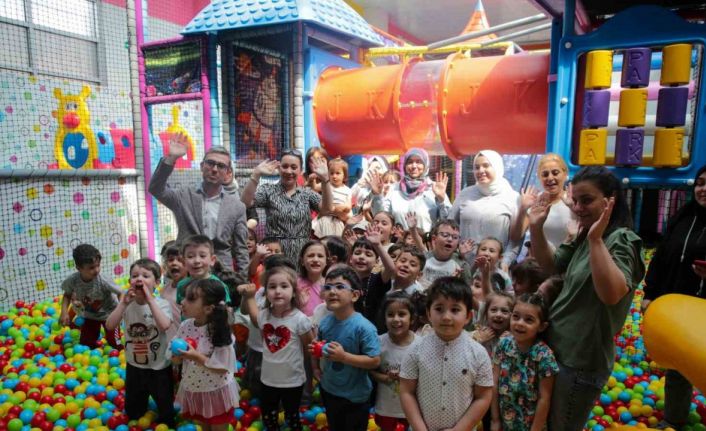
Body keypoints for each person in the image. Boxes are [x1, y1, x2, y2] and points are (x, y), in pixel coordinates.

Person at [528, 166, 645, 431]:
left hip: (580, 359)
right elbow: (551, 266)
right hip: (557, 346)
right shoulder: (585, 234)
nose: (579, 208)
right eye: (576, 201)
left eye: (587, 200)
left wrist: (596, 241)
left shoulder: (621, 239)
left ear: (610, 201)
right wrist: (536, 227)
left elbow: (612, 294)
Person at [644, 164, 706, 429]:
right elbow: (662, 257)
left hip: (702, 307)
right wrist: (650, 293)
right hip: (677, 307)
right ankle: (674, 419)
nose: (704, 189)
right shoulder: (683, 217)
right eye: (700, 183)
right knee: (678, 367)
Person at [399, 277, 493, 431]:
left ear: (468, 316)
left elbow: (483, 397)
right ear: (429, 313)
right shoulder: (415, 350)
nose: (446, 317)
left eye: (455, 310)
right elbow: (406, 392)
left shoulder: (479, 354)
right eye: (439, 309)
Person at [148, 133, 249, 277]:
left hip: (222, 274)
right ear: (202, 166)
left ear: (227, 173)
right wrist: (171, 158)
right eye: (210, 163)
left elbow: (241, 248)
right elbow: (156, 188)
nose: (214, 169)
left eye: (221, 166)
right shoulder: (183, 196)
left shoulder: (237, 206)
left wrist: (242, 280)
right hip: (188, 271)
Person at [240, 266, 315, 431]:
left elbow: (309, 347)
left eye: (284, 286)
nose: (278, 291)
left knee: (292, 415)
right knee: (268, 415)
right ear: (266, 293)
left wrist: (311, 368)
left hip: (293, 380)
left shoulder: (300, 319)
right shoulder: (263, 315)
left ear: (294, 292)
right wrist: (249, 296)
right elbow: (259, 327)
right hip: (268, 379)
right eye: (272, 287)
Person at [310, 266, 381, 431]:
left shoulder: (364, 327)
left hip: (355, 397)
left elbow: (375, 360)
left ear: (354, 295)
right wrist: (315, 366)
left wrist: (344, 357)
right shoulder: (325, 322)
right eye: (327, 287)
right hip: (329, 389)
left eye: (340, 287)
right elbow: (317, 346)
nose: (332, 292)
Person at [106, 259, 175, 428]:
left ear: (156, 282)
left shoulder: (161, 304)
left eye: (145, 276)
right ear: (130, 281)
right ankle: (138, 409)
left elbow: (165, 325)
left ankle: (166, 418)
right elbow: (109, 325)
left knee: (166, 409)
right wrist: (123, 303)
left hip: (159, 367)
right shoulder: (127, 305)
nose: (139, 279)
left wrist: (150, 300)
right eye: (135, 275)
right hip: (134, 366)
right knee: (133, 412)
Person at [168, 279, 239, 431]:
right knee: (203, 426)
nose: (182, 302)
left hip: (217, 391)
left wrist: (195, 356)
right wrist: (176, 357)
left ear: (208, 309)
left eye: (190, 299)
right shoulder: (185, 326)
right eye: (184, 297)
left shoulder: (219, 331)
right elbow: (175, 358)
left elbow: (223, 367)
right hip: (196, 389)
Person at [241, 149, 333, 263]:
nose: (289, 171)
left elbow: (327, 210)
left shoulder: (307, 193)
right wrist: (255, 175)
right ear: (279, 168)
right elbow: (245, 203)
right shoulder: (268, 190)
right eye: (285, 166)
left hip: (301, 256)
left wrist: (325, 179)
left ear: (300, 170)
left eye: (294, 167)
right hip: (275, 254)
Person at [491, 293, 558, 431]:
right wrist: (495, 419)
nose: (520, 323)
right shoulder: (503, 345)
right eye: (516, 316)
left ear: (542, 326)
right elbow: (494, 383)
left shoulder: (544, 355)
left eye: (529, 320)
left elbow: (544, 398)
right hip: (504, 423)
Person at [449, 150, 520, 269]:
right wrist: (457, 254)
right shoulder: (465, 194)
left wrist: (505, 262)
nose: (481, 171)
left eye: (486, 166)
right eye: (477, 167)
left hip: (496, 268)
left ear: (497, 167)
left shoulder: (513, 197)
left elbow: (516, 240)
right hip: (463, 265)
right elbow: (451, 226)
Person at [372, 148, 451, 233]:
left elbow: (448, 221)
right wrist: (377, 196)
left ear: (426, 165)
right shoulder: (395, 189)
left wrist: (442, 200)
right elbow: (382, 218)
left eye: (419, 162)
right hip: (399, 240)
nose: (414, 166)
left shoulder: (434, 189)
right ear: (405, 165)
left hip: (424, 241)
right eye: (410, 162)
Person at [370, 292, 418, 431]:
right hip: (386, 409)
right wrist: (387, 377)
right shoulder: (378, 342)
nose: (396, 319)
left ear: (412, 318)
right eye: (390, 314)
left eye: (402, 314)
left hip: (413, 410)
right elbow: (370, 371)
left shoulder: (420, 345)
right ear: (384, 318)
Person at [59, 244, 122, 349]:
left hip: (110, 315)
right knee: (86, 344)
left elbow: (121, 293)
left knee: (116, 344)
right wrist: (64, 312)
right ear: (79, 268)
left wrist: (120, 311)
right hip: (90, 316)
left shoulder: (103, 280)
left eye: (98, 265)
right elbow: (67, 295)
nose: (97, 270)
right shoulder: (73, 280)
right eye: (91, 267)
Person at [510, 153, 576, 252]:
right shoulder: (534, 201)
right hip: (540, 260)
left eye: (555, 173)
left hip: (568, 258)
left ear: (565, 174)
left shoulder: (573, 200)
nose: (550, 178)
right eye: (545, 174)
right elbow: (515, 237)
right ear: (539, 177)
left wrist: (574, 208)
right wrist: (523, 209)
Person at [175, 235, 233, 306]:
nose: (197, 261)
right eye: (190, 256)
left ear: (212, 260)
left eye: (202, 256)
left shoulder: (219, 286)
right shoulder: (181, 285)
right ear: (183, 262)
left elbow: (225, 310)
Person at [313, 158, 352, 238]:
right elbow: (315, 188)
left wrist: (336, 208)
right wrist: (313, 179)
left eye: (338, 173)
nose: (334, 176)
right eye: (331, 173)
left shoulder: (347, 190)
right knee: (323, 237)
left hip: (338, 219)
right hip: (325, 217)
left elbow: (348, 206)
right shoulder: (327, 185)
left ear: (344, 176)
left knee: (337, 238)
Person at [159, 240, 186, 331]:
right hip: (169, 337)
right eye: (170, 260)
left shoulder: (191, 289)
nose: (174, 263)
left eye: (179, 260)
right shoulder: (164, 290)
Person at [297, 240, 329, 317]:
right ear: (302, 261)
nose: (315, 260)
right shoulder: (294, 283)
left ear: (326, 261)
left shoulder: (331, 285)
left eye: (320, 256)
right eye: (311, 256)